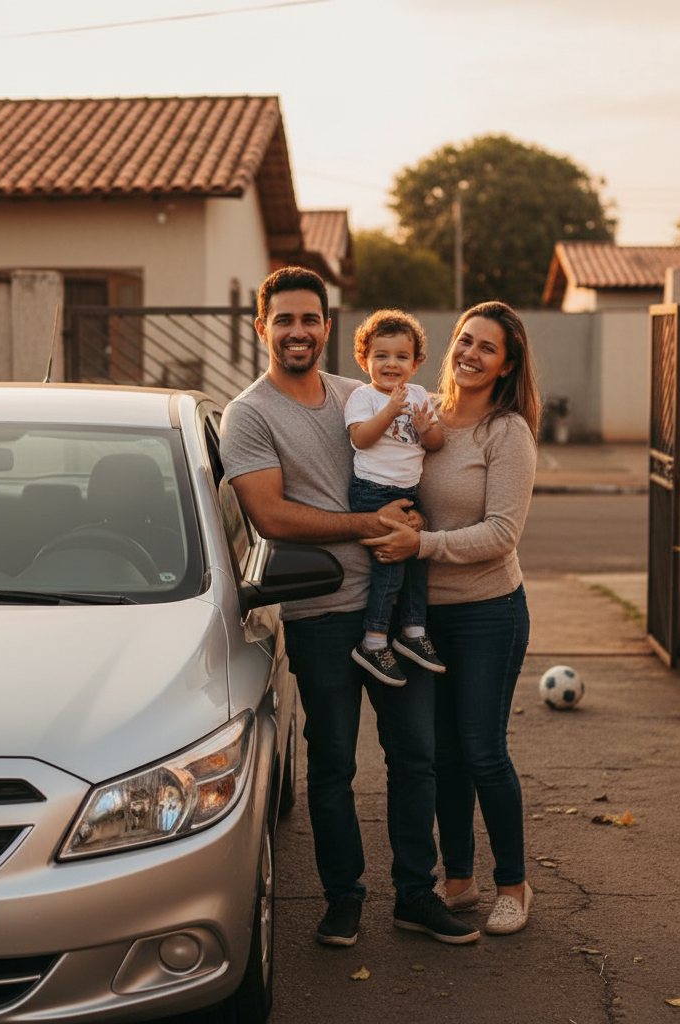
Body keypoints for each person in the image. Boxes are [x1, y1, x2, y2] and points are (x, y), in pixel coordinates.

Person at [220, 267, 479, 948]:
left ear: (327, 328)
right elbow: (271, 515)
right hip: (322, 613)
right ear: (262, 327)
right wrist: (370, 525)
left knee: (416, 757)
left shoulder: (359, 392)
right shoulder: (249, 414)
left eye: (309, 319)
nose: (297, 331)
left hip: (396, 613)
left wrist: (421, 519)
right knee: (333, 765)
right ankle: (344, 899)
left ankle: (415, 895)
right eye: (284, 319)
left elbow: (426, 454)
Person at [363, 300, 540, 936]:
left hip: (489, 611)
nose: (470, 354)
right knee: (442, 755)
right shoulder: (421, 412)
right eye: (465, 340)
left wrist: (422, 544)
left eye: (487, 348)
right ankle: (459, 880)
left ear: (506, 365)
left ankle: (513, 885)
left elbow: (501, 533)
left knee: (483, 751)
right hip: (422, 620)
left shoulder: (506, 432)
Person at [345, 310, 445, 686]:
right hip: (373, 491)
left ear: (415, 364)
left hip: (407, 493)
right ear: (364, 360)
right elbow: (360, 438)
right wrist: (389, 411)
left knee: (417, 554)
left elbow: (436, 443)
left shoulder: (419, 396)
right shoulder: (363, 397)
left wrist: (425, 428)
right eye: (381, 355)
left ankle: (413, 631)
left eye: (402, 356)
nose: (391, 364)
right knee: (390, 565)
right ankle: (373, 641)